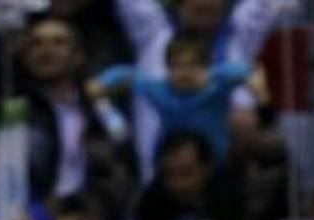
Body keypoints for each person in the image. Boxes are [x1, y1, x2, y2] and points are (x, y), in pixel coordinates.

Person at [91, 37, 254, 169]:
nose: (184, 73)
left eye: (192, 65)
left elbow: (245, 72)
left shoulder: (217, 86)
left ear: (205, 67)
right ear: (167, 69)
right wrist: (101, 83)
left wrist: (254, 85)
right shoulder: (160, 91)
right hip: (171, 167)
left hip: (216, 168)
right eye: (177, 66)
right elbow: (127, 75)